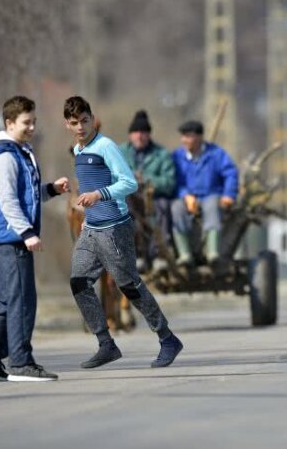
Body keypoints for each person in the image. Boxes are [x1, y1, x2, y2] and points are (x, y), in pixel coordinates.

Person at [64, 96, 182, 369]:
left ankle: (167, 339)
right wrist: (88, 214)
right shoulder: (79, 151)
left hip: (115, 229)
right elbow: (88, 187)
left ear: (92, 119)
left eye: (85, 120)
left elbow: (128, 183)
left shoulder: (106, 146)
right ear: (67, 125)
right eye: (74, 123)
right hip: (91, 230)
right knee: (79, 282)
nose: (81, 127)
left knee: (129, 285)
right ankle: (106, 343)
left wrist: (99, 195)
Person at [0, 96, 69, 382]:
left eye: (34, 122)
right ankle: (20, 363)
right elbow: (8, 201)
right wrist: (26, 232)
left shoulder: (19, 151)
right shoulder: (4, 157)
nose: (31, 127)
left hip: (5, 235)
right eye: (26, 122)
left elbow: (26, 194)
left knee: (7, 298)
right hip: (9, 237)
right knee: (23, 299)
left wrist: (51, 190)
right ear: (9, 123)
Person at [170, 120, 238, 273]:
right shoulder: (177, 156)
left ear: (199, 137)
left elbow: (230, 174)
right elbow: (174, 180)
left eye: (188, 136)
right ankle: (185, 254)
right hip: (186, 198)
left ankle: (213, 253)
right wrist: (185, 195)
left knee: (213, 206)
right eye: (183, 136)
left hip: (211, 194)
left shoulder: (216, 154)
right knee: (176, 208)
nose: (184, 140)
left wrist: (229, 194)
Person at [118, 110, 176, 274]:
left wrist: (147, 180)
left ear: (149, 135)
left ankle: (159, 256)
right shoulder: (119, 152)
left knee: (163, 207)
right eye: (136, 132)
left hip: (155, 199)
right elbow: (111, 176)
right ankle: (137, 255)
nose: (140, 136)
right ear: (130, 135)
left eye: (144, 133)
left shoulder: (161, 154)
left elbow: (169, 182)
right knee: (127, 211)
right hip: (130, 199)